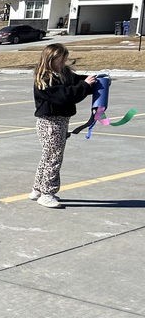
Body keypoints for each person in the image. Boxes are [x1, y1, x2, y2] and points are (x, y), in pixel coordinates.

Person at [29, 44, 98, 209]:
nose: (64, 62)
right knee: (54, 158)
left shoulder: (62, 73)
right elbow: (64, 96)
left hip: (60, 121)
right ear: (51, 59)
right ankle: (47, 193)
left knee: (48, 156)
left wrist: (93, 80)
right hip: (50, 123)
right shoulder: (45, 79)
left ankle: (38, 189)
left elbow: (76, 81)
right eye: (61, 60)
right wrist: (85, 86)